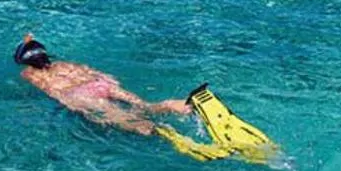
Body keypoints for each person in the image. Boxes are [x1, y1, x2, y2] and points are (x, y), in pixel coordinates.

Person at [12, 34, 210, 140]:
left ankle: (156, 131)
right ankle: (171, 105)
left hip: (80, 94)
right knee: (144, 106)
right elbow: (92, 72)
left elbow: (53, 91)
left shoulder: (28, 74)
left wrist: (74, 104)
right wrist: (110, 82)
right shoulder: (64, 64)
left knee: (120, 118)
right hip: (101, 84)